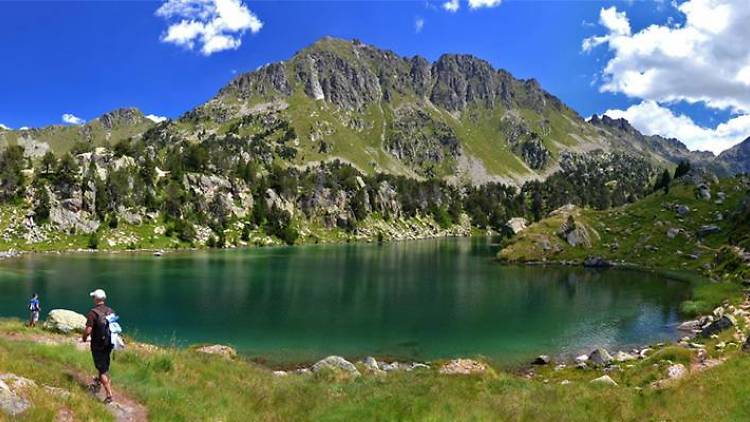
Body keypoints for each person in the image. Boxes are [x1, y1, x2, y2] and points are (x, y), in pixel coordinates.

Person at [81, 289, 115, 404]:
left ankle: (109, 395)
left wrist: (84, 338)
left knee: (102, 371)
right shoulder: (110, 311)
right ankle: (98, 381)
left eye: (93, 297)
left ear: (96, 299)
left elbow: (88, 329)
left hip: (98, 345)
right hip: (109, 344)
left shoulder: (93, 313)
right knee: (103, 366)